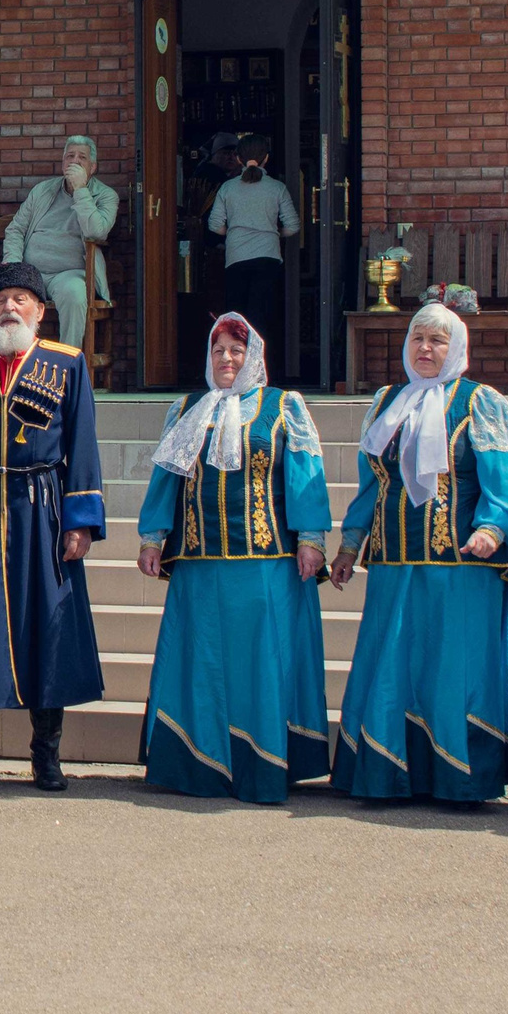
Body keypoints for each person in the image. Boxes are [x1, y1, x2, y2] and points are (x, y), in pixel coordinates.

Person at [329, 303, 508, 802]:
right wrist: (350, 545)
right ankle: (387, 774)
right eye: (418, 338)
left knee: (453, 667)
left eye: (438, 341)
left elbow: (504, 481)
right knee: (393, 664)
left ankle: (458, 779)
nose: (425, 349)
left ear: (456, 347)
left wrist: (492, 527)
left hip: (462, 563)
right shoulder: (387, 403)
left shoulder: (480, 402)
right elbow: (370, 484)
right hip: (396, 561)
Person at [133, 313, 333, 803]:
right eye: (218, 349)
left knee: (258, 666)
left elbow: (306, 472)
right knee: (201, 664)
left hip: (266, 566)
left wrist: (311, 537)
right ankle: (196, 767)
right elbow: (167, 477)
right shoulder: (186, 409)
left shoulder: (284, 406)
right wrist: (153, 536)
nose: (226, 358)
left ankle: (261, 767)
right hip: (201, 564)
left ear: (254, 356)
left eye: (236, 350)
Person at [0, 264, 105, 791]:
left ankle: (45, 757)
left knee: (47, 630)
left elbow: (82, 446)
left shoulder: (68, 364)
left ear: (39, 311)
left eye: (19, 300)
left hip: (44, 513)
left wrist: (80, 521)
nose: (8, 308)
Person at [0, 136, 118, 353]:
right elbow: (15, 229)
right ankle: (15, 364)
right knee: (8, 296)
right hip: (31, 272)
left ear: (92, 167)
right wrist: (14, 265)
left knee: (75, 293)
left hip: (71, 274)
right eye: (69, 156)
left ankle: (67, 366)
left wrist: (81, 190)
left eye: (82, 157)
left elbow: (96, 231)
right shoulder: (42, 190)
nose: (74, 161)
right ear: (63, 162)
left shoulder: (106, 196)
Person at [206, 135, 300, 350]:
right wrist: (273, 232)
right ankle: (262, 371)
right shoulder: (277, 188)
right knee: (262, 317)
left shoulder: (228, 188)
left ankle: (238, 370)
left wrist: (233, 232)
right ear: (266, 158)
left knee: (237, 320)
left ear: (238, 158)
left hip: (236, 258)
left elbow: (214, 225)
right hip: (268, 257)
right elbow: (293, 226)